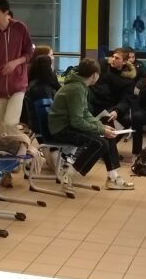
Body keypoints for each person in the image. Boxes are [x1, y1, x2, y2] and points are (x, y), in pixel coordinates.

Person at [47, 58, 134, 190]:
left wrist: (101, 127)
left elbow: (85, 112)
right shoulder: (76, 89)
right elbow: (77, 121)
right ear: (94, 75)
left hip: (67, 126)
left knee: (106, 137)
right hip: (61, 130)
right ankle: (68, 175)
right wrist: (100, 129)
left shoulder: (80, 86)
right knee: (100, 143)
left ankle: (113, 177)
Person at [0, 0, 33, 137]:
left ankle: (23, 146)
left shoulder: (20, 28)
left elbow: (29, 52)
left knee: (10, 123)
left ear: (6, 13)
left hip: (18, 85)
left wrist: (15, 62)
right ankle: (8, 150)